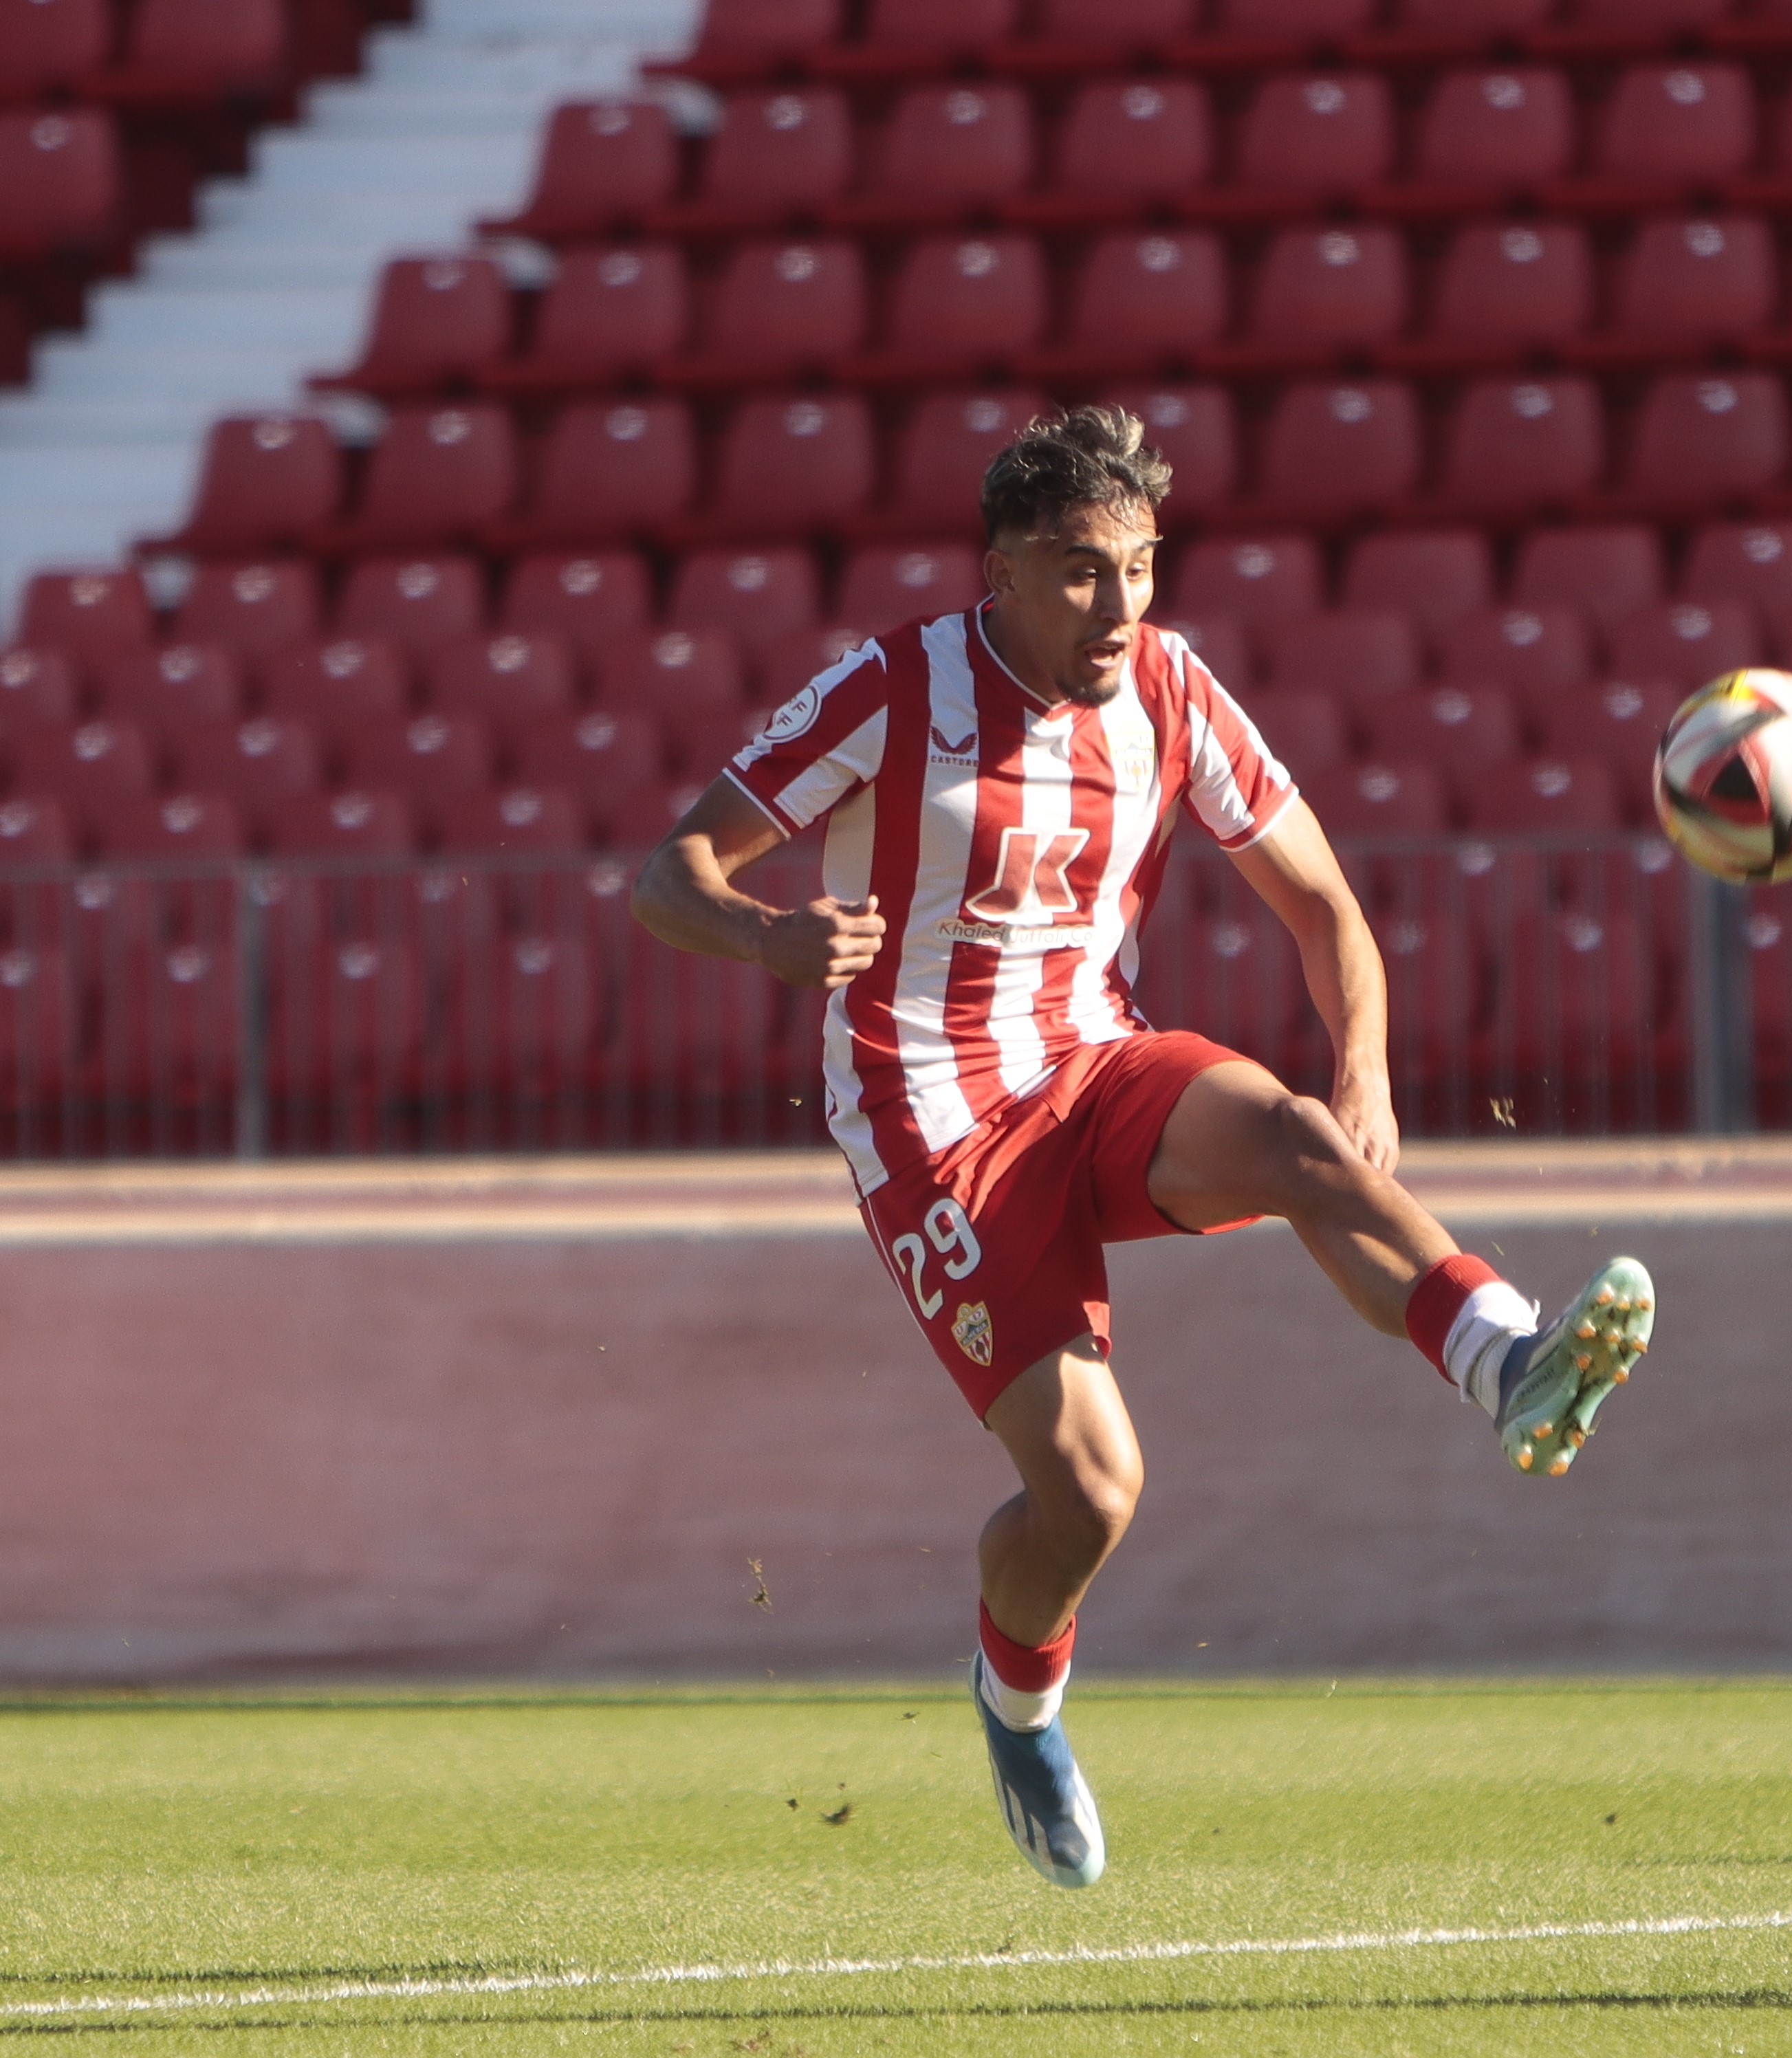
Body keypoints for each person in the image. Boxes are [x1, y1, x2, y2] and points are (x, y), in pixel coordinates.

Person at [632, 406, 1659, 1890]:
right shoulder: (890, 690)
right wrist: (766, 937)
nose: (1117, 609)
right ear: (998, 572)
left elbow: (1325, 910)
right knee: (1094, 1495)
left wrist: (1362, 1074)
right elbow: (670, 874)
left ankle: (1513, 1365)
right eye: (1075, 574)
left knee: (1305, 1142)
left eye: (1138, 569)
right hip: (937, 1121)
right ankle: (1019, 1702)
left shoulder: (1171, 687)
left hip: (1099, 1066)